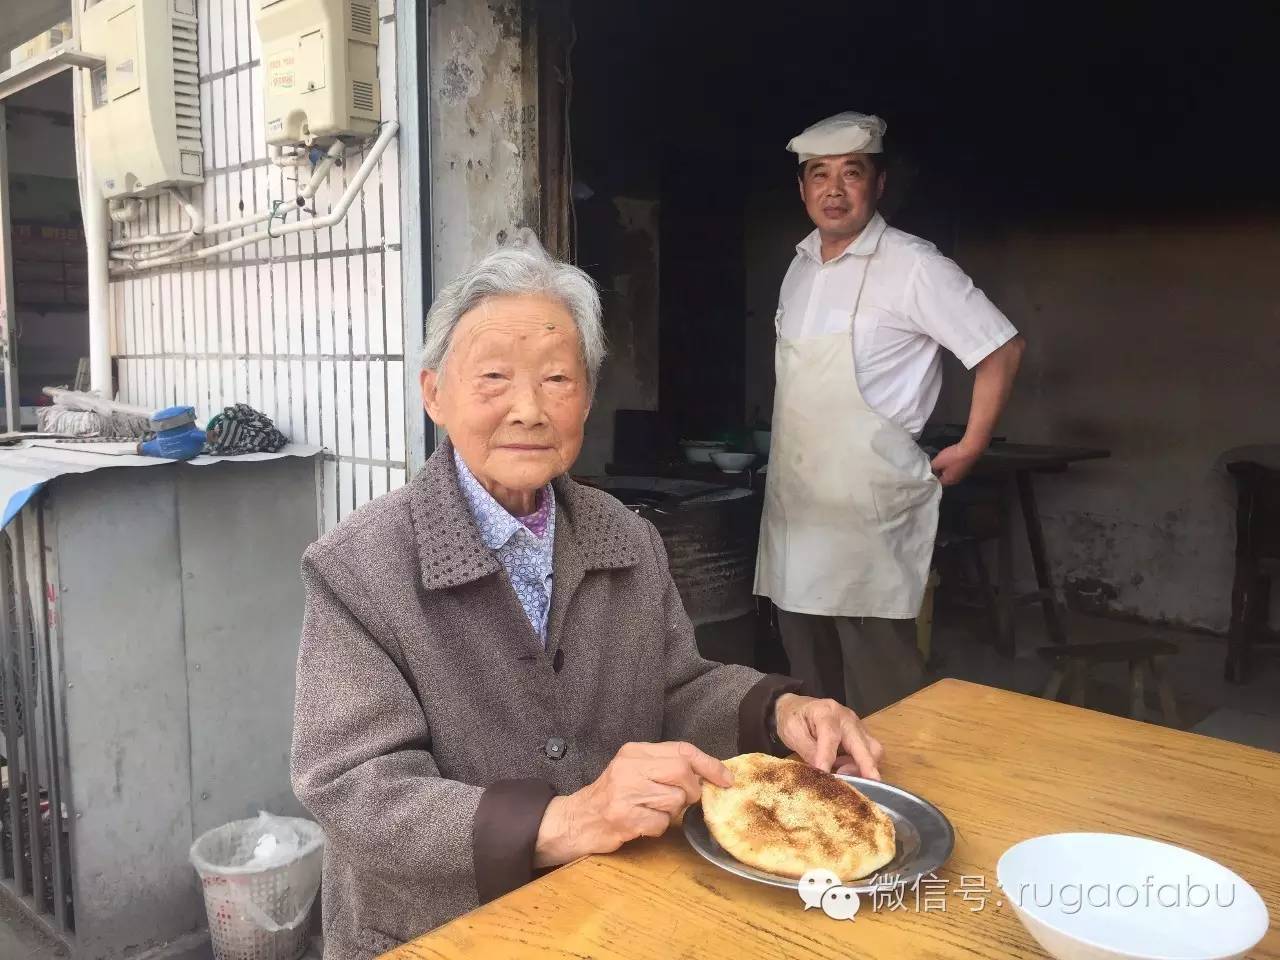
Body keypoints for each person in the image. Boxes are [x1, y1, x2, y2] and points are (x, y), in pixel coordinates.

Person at [291, 238, 886, 959]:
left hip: (608, 913)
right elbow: (355, 787)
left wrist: (780, 712)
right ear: (433, 394)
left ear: (587, 398)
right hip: (434, 935)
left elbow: (676, 687)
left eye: (556, 379)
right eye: (493, 378)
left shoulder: (625, 538)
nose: (529, 409)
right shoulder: (359, 569)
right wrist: (565, 820)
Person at [755, 111, 1025, 717]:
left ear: (879, 184)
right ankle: (826, 806)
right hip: (798, 510)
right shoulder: (799, 268)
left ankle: (905, 808)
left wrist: (974, 441)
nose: (833, 189)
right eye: (818, 175)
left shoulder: (913, 265)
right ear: (801, 189)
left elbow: (1001, 348)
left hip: (867, 511)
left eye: (851, 173)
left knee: (884, 695)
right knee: (807, 693)